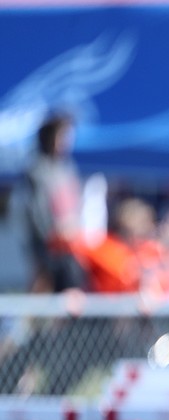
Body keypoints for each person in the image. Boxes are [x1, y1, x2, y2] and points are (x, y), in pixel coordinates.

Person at [23, 111, 87, 294]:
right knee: (44, 288)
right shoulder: (37, 170)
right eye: (62, 136)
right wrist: (53, 234)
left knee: (71, 285)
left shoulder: (68, 168)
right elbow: (37, 212)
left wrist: (73, 228)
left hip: (70, 244)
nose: (67, 141)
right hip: (47, 246)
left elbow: (75, 203)